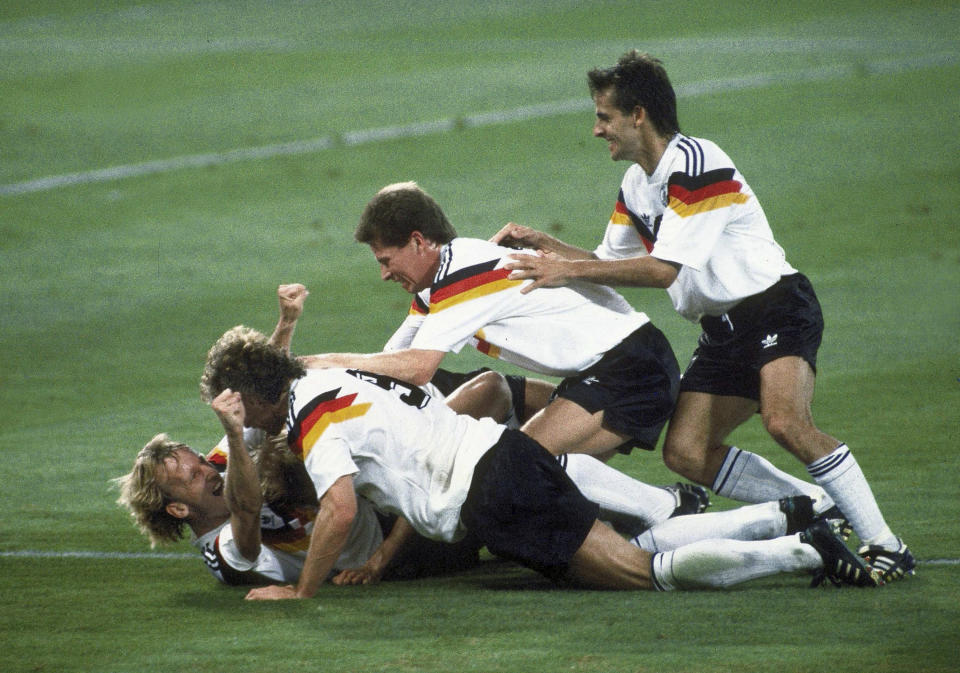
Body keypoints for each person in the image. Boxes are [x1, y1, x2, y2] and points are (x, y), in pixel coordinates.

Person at [488, 50, 913, 582]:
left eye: (604, 117)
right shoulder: (637, 186)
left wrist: (563, 272)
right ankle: (813, 504)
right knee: (686, 452)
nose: (597, 130)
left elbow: (662, 271)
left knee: (786, 422)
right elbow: (608, 263)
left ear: (638, 114)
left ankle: (885, 543)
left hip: (775, 307)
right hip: (723, 332)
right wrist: (546, 247)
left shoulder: (696, 164)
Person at [198, 324, 879, 599]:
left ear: (255, 394)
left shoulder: (310, 416)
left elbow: (341, 505)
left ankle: (805, 551)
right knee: (632, 546)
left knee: (642, 574)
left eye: (235, 402)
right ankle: (782, 514)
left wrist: (300, 589)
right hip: (500, 457)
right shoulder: (334, 377)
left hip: (488, 489)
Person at [302, 180, 681, 464]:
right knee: (549, 473)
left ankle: (664, 510)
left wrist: (324, 361)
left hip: (632, 367)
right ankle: (642, 520)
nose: (385, 274)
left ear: (418, 241)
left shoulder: (461, 274)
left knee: (516, 467)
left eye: (386, 260)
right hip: (605, 369)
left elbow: (417, 368)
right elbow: (392, 359)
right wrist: (310, 380)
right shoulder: (437, 284)